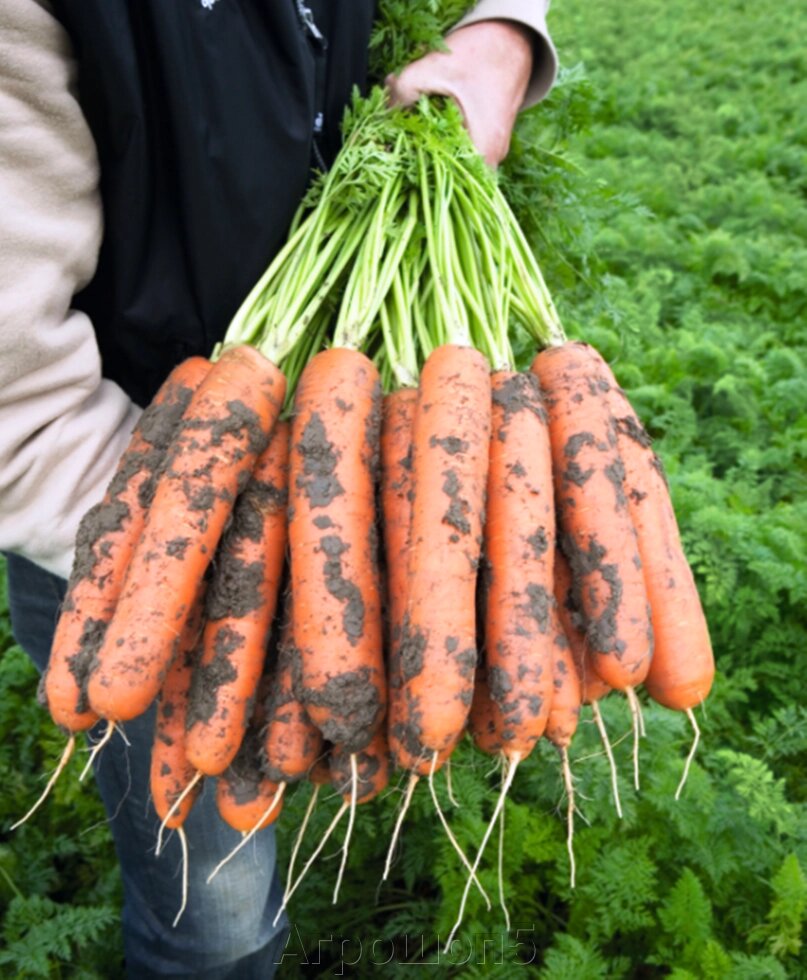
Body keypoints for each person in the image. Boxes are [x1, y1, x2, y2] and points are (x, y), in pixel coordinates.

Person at [0, 1, 557, 976]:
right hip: (122, 492)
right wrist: (223, 573)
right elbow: (14, 399)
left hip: (339, 431)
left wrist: (501, 32)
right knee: (212, 916)